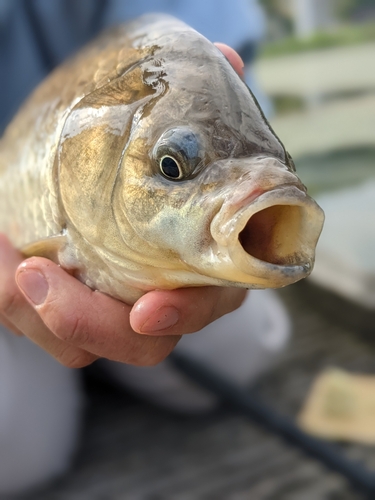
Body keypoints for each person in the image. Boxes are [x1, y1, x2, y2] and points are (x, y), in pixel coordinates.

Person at [0, 1, 289, 494]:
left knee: (239, 354)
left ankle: (113, 352)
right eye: (174, 166)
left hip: (154, 233)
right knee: (20, 451)